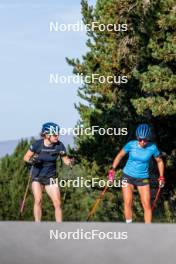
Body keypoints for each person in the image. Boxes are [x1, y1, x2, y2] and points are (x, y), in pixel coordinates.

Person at [108, 124, 165, 224]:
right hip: (127, 176)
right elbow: (120, 155)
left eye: (145, 140)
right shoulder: (131, 145)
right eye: (140, 139)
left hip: (142, 178)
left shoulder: (152, 148)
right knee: (128, 202)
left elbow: (159, 162)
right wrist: (112, 170)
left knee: (146, 204)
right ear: (137, 138)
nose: (142, 142)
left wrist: (161, 177)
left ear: (148, 138)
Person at [23, 122, 73, 223]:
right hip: (37, 176)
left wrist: (70, 162)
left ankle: (59, 227)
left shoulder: (59, 146)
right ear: (47, 135)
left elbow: (65, 160)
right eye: (55, 134)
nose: (57, 136)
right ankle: (38, 225)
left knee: (57, 203)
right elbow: (26, 157)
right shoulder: (37, 144)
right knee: (38, 200)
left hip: (50, 177)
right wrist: (31, 160)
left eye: (58, 134)